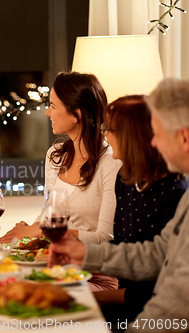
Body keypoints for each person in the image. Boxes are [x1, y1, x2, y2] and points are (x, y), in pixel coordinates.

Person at [49, 78, 189, 332]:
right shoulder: (131, 183)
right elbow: (157, 253)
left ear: (184, 138)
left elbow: (176, 304)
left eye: (156, 134)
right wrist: (83, 253)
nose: (153, 143)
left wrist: (89, 297)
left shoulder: (178, 193)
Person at [0, 72, 122, 291]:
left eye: (53, 106)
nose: (47, 112)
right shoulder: (55, 155)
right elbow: (48, 216)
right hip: (56, 268)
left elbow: (105, 238)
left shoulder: (111, 162)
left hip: (94, 276)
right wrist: (30, 231)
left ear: (76, 114)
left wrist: (40, 230)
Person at [95, 95, 187, 327]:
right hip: (122, 300)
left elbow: (156, 290)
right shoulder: (125, 179)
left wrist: (92, 298)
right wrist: (77, 254)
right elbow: (127, 250)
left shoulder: (176, 195)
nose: (104, 135)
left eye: (109, 129)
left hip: (148, 313)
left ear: (131, 136)